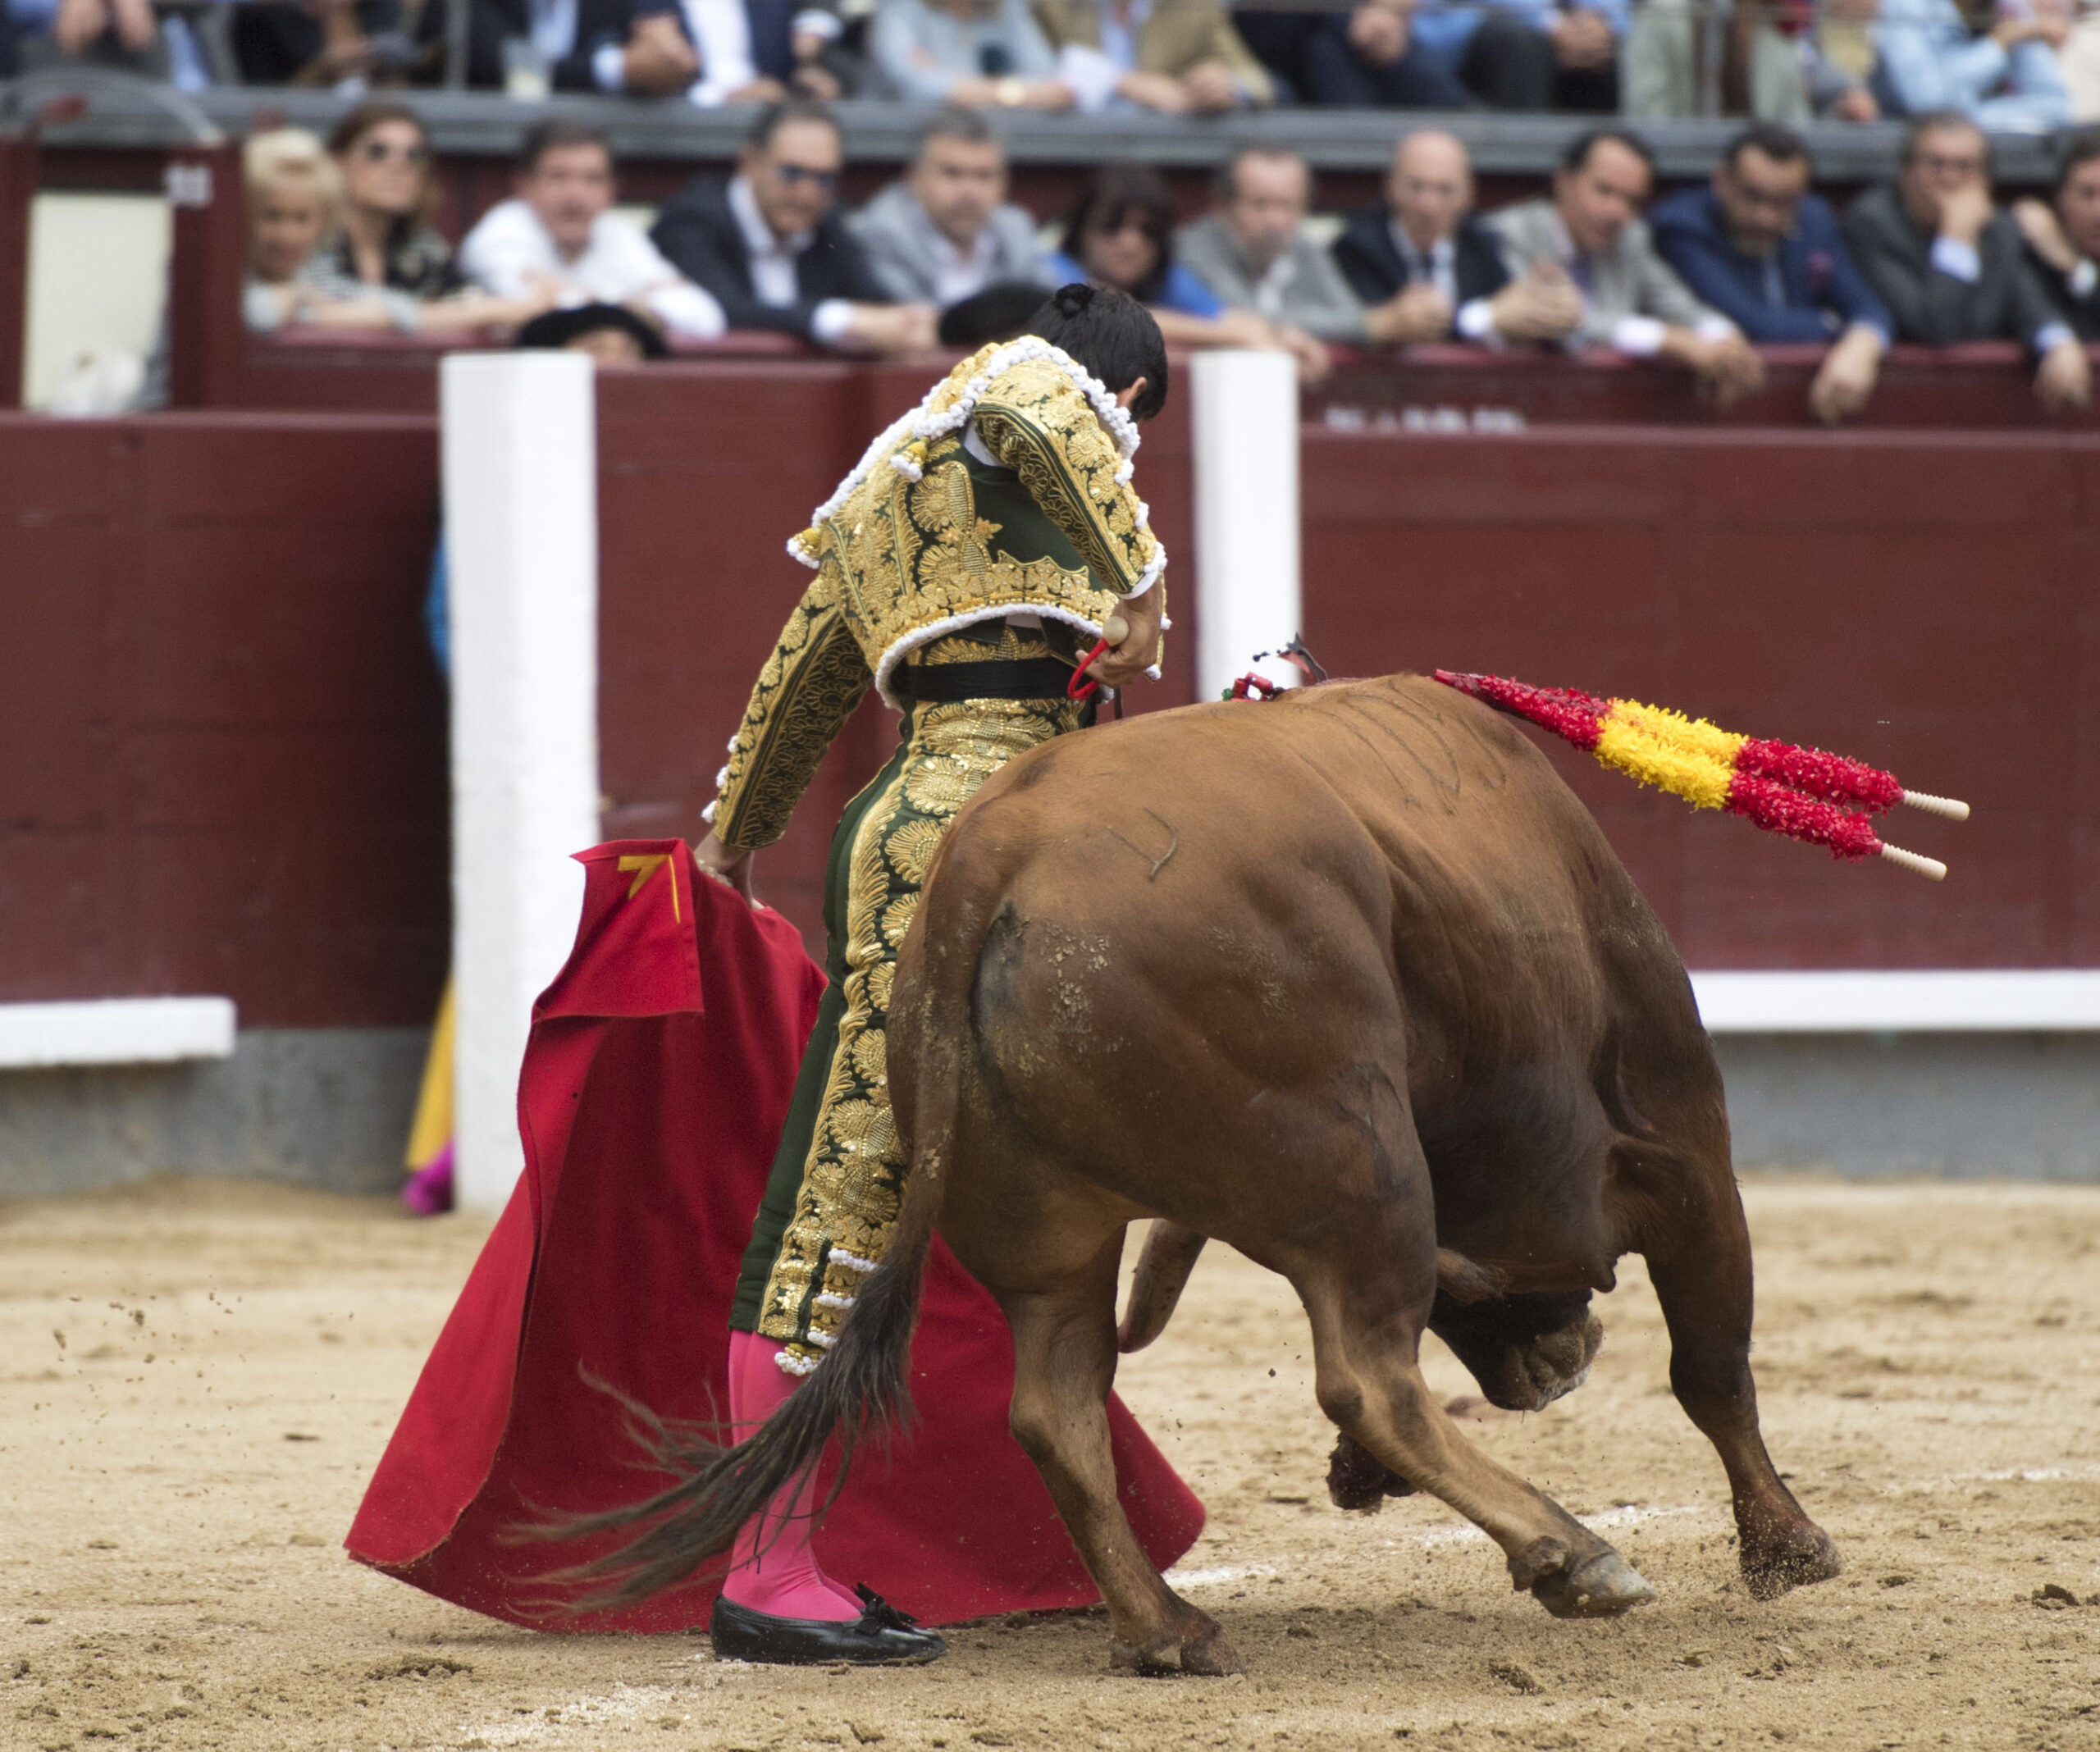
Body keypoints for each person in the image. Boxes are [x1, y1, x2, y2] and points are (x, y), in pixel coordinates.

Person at [687, 284, 1169, 1664]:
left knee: (856, 1177)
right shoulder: (1029, 382)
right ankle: (767, 1571)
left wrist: (737, 833)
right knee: (844, 1187)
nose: (1117, 435)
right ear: (1123, 395)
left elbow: (802, 683)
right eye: (1128, 418)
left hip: (937, 810)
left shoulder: (873, 501)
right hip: (1014, 803)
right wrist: (1141, 575)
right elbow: (1032, 393)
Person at [1487, 128, 1765, 403]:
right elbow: (1555, 320)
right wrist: (1667, 339)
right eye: (1604, 191)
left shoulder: (1631, 238)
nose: (1618, 212)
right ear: (1564, 182)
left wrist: (1725, 340)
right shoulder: (1509, 234)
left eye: (1632, 200)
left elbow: (1680, 306)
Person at [1842, 110, 2089, 408]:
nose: (1950, 179)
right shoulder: (1874, 223)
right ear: (1906, 171)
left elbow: (2027, 299)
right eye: (1936, 164)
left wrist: (2059, 342)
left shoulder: (2002, 228)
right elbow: (1936, 329)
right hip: (1902, 406)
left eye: (1966, 167)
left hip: (1990, 409)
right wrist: (1956, 235)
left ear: (1986, 180)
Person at [1652, 123, 1894, 423]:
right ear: (1721, 181)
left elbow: (1867, 306)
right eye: (1752, 197)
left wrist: (1862, 345)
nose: (1765, 217)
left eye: (1783, 203)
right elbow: (1754, 323)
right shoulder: (1682, 226)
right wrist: (1839, 326)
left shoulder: (1814, 219)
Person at [652, 100, 935, 352]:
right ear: (750, 163)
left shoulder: (826, 223)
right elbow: (722, 310)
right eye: (791, 173)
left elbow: (877, 305)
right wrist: (842, 320)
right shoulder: (691, 220)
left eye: (824, 178)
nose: (807, 193)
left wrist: (911, 321)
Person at [461, 120, 728, 344]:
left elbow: (706, 317)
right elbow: (541, 314)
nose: (576, 195)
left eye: (593, 179)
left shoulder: (620, 234)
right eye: (559, 177)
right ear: (524, 185)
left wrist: (590, 300)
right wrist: (637, 304)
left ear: (613, 190)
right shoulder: (499, 235)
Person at [1048, 163, 1318, 374]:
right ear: (1082, 227)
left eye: (1148, 230)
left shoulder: (1166, 278)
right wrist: (1239, 338)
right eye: (1112, 225)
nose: (1130, 242)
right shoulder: (1049, 271)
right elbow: (1101, 318)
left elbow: (1227, 319)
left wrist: (1279, 336)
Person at [1331, 129, 1584, 346]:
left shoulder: (1482, 245)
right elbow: (1379, 328)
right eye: (1416, 187)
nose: (1428, 205)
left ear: (1468, 196)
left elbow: (1512, 311)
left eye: (1445, 190)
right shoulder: (1355, 247)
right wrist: (1484, 319)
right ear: (1389, 187)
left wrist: (1549, 313)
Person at [1176, 147, 1369, 368]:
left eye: (1286, 205)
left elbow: (1353, 318)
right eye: (1260, 205)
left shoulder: (1306, 249)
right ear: (1222, 207)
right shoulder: (1192, 248)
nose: (1275, 221)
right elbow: (1242, 317)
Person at [852, 108, 1050, 308]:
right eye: (952, 173)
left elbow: (1049, 315)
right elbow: (916, 327)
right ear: (914, 178)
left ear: (1004, 183)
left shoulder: (1016, 230)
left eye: (984, 175)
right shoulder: (885, 234)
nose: (969, 192)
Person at [1031, 0, 1272, 112]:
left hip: (1164, 150)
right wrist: (1124, 82)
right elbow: (1026, 77)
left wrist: (1227, 86)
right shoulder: (1051, 6)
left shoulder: (1194, 7)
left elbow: (1257, 81)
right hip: (1074, 146)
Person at [1232, 0, 1472, 108]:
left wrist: (1396, 54)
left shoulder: (1400, 39)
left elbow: (1457, 109)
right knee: (1325, 48)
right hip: (1278, 75)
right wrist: (1351, 18)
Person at [1873, 0, 2070, 130]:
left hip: (1995, 150)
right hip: (1910, 157)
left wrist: (1976, 118)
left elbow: (2055, 105)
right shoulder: (1906, 5)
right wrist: (1997, 46)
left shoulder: (2010, 6)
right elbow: (1929, 107)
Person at [1404, 0, 1624, 112]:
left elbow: (1613, 16)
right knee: (1518, 44)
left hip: (1559, 40)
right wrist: (1549, 26)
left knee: (1604, 50)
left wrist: (1597, 27)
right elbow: (1425, 15)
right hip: (1446, 39)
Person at [868, 0, 1072, 106]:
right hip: (910, 144)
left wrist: (964, 89)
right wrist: (1015, 93)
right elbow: (918, 85)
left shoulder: (1007, 7)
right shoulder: (902, 7)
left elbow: (1051, 82)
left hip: (997, 139)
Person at [2013, 127, 2100, 336]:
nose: (2098, 212)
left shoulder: (2066, 263)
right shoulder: (2035, 262)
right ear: (2061, 200)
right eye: (2087, 194)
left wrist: (2074, 268)